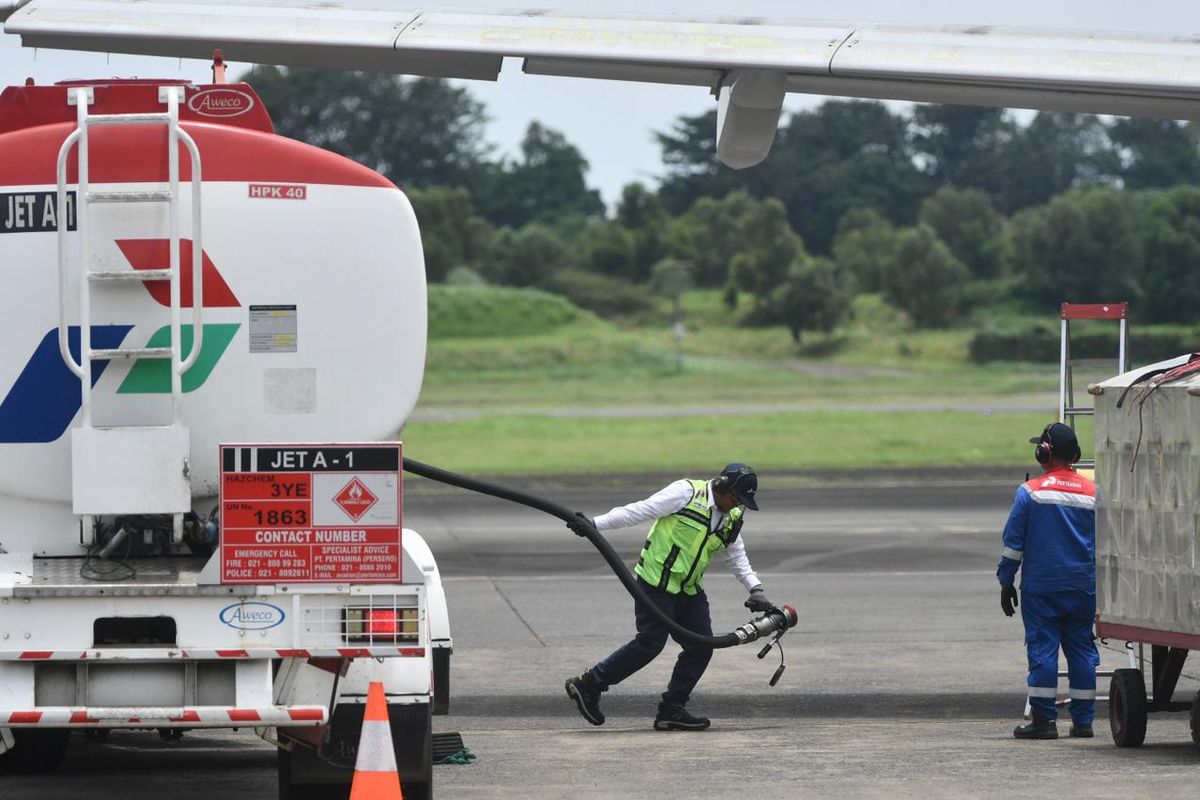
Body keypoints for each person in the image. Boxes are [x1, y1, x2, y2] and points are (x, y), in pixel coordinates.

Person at [563, 462, 772, 731]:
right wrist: (593, 525)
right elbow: (639, 510)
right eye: (735, 498)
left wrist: (756, 589)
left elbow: (736, 555)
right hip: (656, 582)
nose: (735, 505)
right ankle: (589, 684)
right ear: (720, 485)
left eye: (741, 502)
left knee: (701, 647)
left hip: (689, 589)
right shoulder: (686, 493)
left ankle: (672, 708)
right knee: (650, 643)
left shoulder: (731, 518)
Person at [997, 422, 1099, 740]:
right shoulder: (1094, 493)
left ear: (1044, 452)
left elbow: (1014, 544)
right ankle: (1083, 722)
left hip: (1042, 587)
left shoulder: (1029, 492)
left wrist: (1005, 580)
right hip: (1083, 586)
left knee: (1043, 650)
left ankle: (1044, 720)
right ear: (1077, 455)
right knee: (1081, 650)